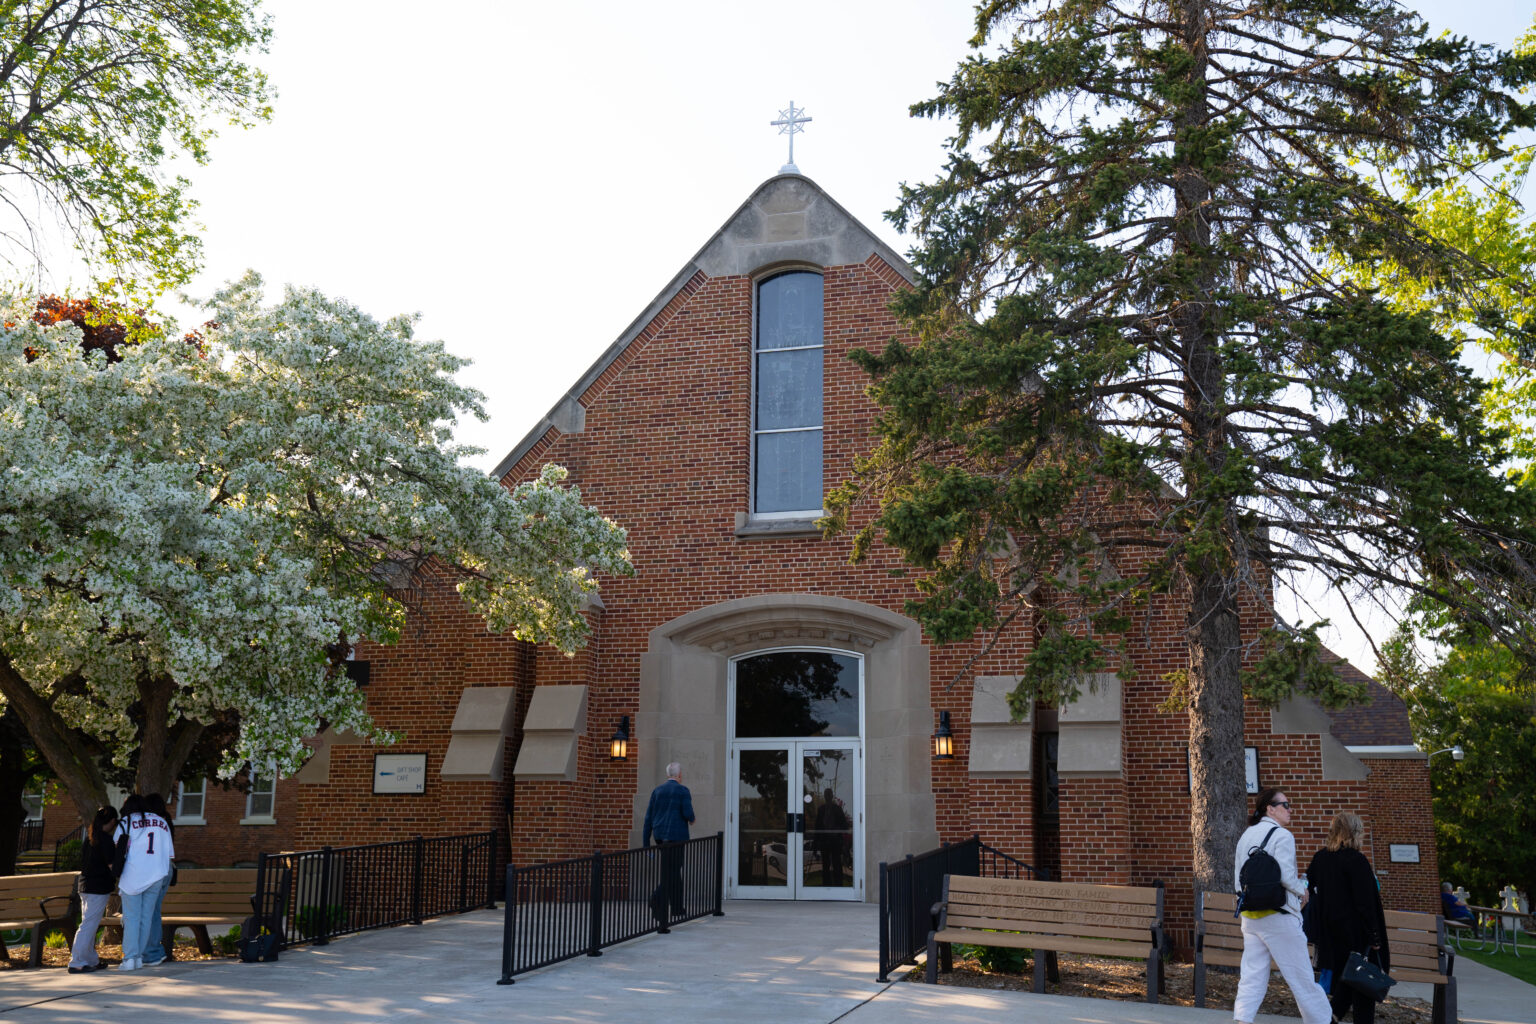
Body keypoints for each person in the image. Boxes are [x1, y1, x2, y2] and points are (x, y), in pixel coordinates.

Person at [1233, 788, 1333, 1024]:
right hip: (1279, 916)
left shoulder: (1246, 836)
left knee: (1252, 975)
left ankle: (1242, 1019)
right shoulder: (1282, 836)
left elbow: (1238, 877)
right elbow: (1287, 877)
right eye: (1285, 805)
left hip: (1251, 916)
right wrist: (1303, 890)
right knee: (1302, 978)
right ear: (1270, 808)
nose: (1290, 810)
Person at [1307, 812, 1391, 1024]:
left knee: (1348, 982)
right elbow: (1365, 904)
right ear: (1354, 833)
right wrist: (1375, 938)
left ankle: (1331, 1017)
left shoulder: (1320, 858)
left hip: (1331, 935)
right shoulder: (1356, 860)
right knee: (1363, 987)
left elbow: (1311, 890)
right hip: (1356, 936)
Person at [114, 793, 174, 971]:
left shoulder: (125, 822)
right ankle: (139, 957)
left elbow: (118, 846)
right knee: (146, 918)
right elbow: (169, 852)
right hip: (156, 874)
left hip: (132, 875)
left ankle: (130, 958)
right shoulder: (161, 822)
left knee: (131, 918)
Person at [67, 807, 120, 974]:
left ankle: (90, 959)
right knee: (89, 925)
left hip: (86, 886)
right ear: (112, 822)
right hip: (98, 888)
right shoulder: (106, 840)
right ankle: (76, 961)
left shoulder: (90, 838)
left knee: (90, 923)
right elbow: (112, 866)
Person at [642, 761, 694, 930]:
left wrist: (646, 843)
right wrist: (692, 819)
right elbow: (688, 813)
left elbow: (648, 817)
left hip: (659, 836)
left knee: (671, 872)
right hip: (676, 837)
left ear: (667, 775)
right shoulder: (682, 790)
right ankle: (656, 898)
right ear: (679, 775)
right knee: (672, 872)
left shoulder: (657, 791)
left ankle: (678, 908)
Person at [138, 793, 175, 966]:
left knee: (151, 911)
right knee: (153, 911)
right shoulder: (166, 821)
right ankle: (153, 950)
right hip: (166, 867)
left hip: (155, 868)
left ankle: (152, 952)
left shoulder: (150, 823)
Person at [813, 788, 850, 887]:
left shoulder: (837, 809)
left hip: (835, 842)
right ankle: (826, 886)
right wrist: (815, 845)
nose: (828, 797)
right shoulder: (821, 810)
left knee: (837, 865)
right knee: (825, 865)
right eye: (826, 795)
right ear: (825, 797)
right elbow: (817, 827)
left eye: (829, 794)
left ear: (832, 796)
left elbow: (844, 826)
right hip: (824, 842)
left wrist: (837, 830)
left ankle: (838, 886)